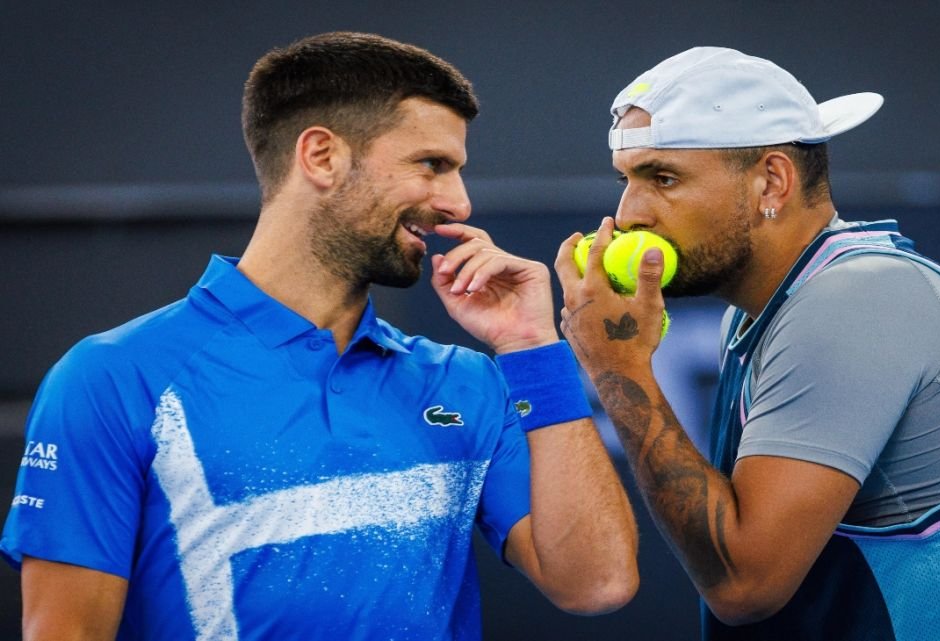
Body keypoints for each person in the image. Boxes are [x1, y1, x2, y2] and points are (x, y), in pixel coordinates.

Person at [2, 32, 638, 640]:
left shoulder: (468, 382)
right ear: (322, 156)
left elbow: (598, 583)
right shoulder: (113, 377)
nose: (458, 203)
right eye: (432, 165)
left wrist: (532, 348)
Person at [555, 47, 940, 640]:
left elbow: (745, 585)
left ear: (772, 180)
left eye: (663, 178)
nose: (629, 212)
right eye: (627, 179)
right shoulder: (773, 309)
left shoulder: (854, 301)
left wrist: (620, 368)